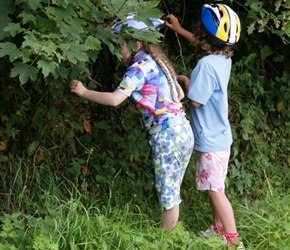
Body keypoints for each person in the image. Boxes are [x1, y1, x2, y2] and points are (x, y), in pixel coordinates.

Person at [70, 14, 194, 230]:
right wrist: (142, 107)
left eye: (119, 45)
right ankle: (171, 237)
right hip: (183, 130)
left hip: (167, 136)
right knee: (172, 191)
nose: (117, 50)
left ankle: (167, 242)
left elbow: (114, 100)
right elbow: (179, 95)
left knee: (169, 197)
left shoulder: (138, 67)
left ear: (135, 44)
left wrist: (84, 91)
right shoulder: (159, 62)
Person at [165, 3, 244, 248]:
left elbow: (197, 101)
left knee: (214, 191)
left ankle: (233, 241)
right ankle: (218, 228)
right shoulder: (223, 58)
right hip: (220, 136)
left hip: (210, 139)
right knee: (214, 186)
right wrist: (179, 30)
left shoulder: (206, 66)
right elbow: (203, 46)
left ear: (205, 35)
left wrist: (186, 83)